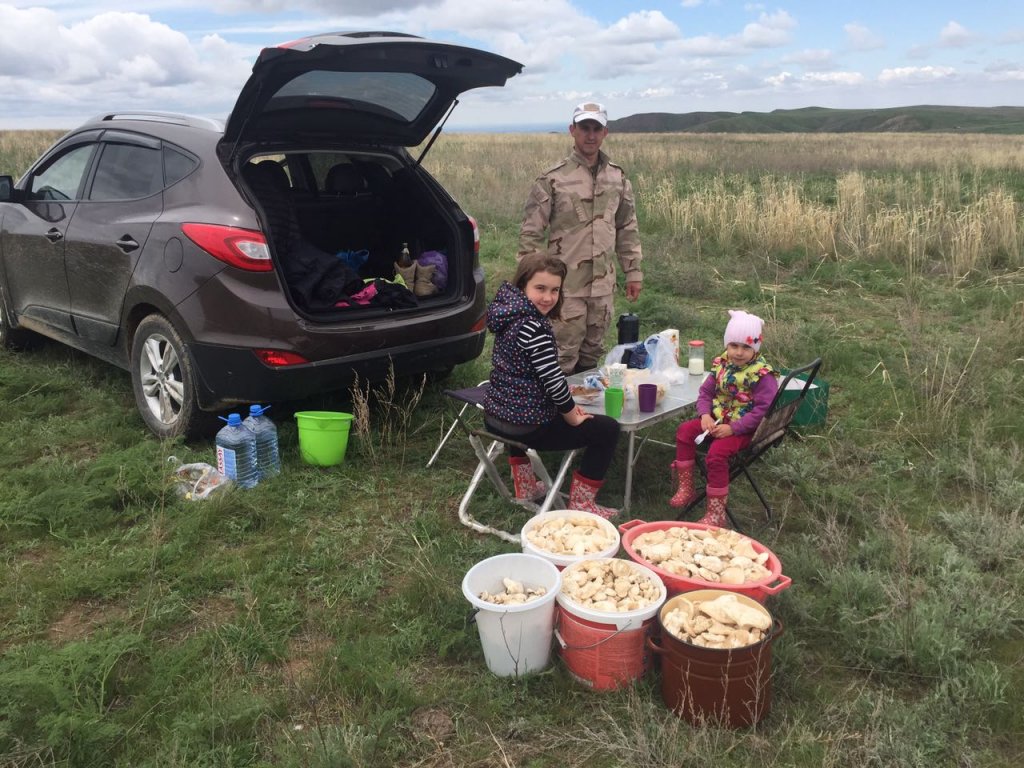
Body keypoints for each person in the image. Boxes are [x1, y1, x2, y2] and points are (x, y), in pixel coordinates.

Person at [483, 254, 622, 519]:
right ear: (522, 285)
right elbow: (554, 382)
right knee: (607, 429)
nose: (548, 297)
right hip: (527, 428)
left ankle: (525, 486)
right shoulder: (534, 328)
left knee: (516, 404)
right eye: (540, 288)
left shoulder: (508, 316)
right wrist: (571, 415)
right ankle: (582, 505)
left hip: (494, 419)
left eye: (555, 290)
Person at [517, 102, 643, 374]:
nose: (591, 135)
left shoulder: (617, 177)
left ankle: (586, 400)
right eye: (585, 127)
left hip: (603, 286)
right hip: (564, 287)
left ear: (605, 132)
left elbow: (627, 226)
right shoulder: (553, 179)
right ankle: (554, 400)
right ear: (572, 130)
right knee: (561, 354)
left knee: (592, 353)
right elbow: (531, 232)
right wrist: (528, 282)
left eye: (596, 128)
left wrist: (633, 272)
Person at [668, 310, 779, 528]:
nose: (739, 352)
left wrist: (734, 428)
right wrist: (705, 415)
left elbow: (763, 411)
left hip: (746, 428)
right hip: (717, 420)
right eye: (734, 345)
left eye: (746, 347)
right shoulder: (722, 364)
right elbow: (705, 393)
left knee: (717, 453)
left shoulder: (762, 375)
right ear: (727, 345)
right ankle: (687, 488)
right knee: (684, 431)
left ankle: (716, 513)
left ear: (756, 348)